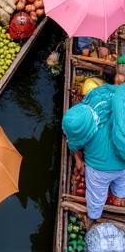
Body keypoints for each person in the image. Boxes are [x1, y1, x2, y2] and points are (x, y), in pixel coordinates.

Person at [62, 83, 125, 228]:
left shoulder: (89, 134)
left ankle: (94, 217)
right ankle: (119, 198)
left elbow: (74, 143)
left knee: (97, 195)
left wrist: (78, 159)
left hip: (100, 170)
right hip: (123, 164)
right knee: (121, 183)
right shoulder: (107, 97)